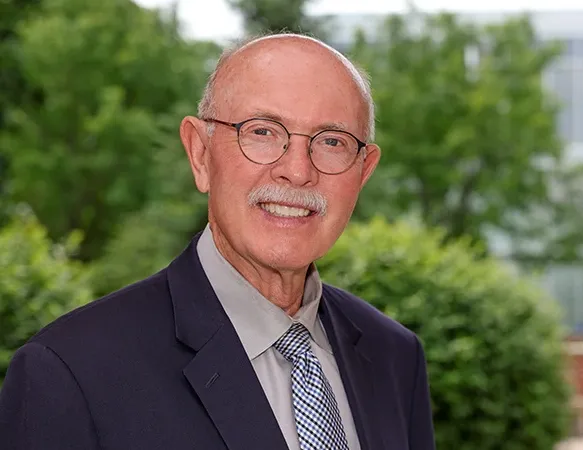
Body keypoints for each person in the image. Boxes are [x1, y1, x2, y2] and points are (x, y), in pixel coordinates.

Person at [0, 33, 435, 449]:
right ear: (200, 154)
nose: (298, 170)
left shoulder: (395, 357)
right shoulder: (70, 371)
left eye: (332, 141)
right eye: (263, 132)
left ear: (363, 172)